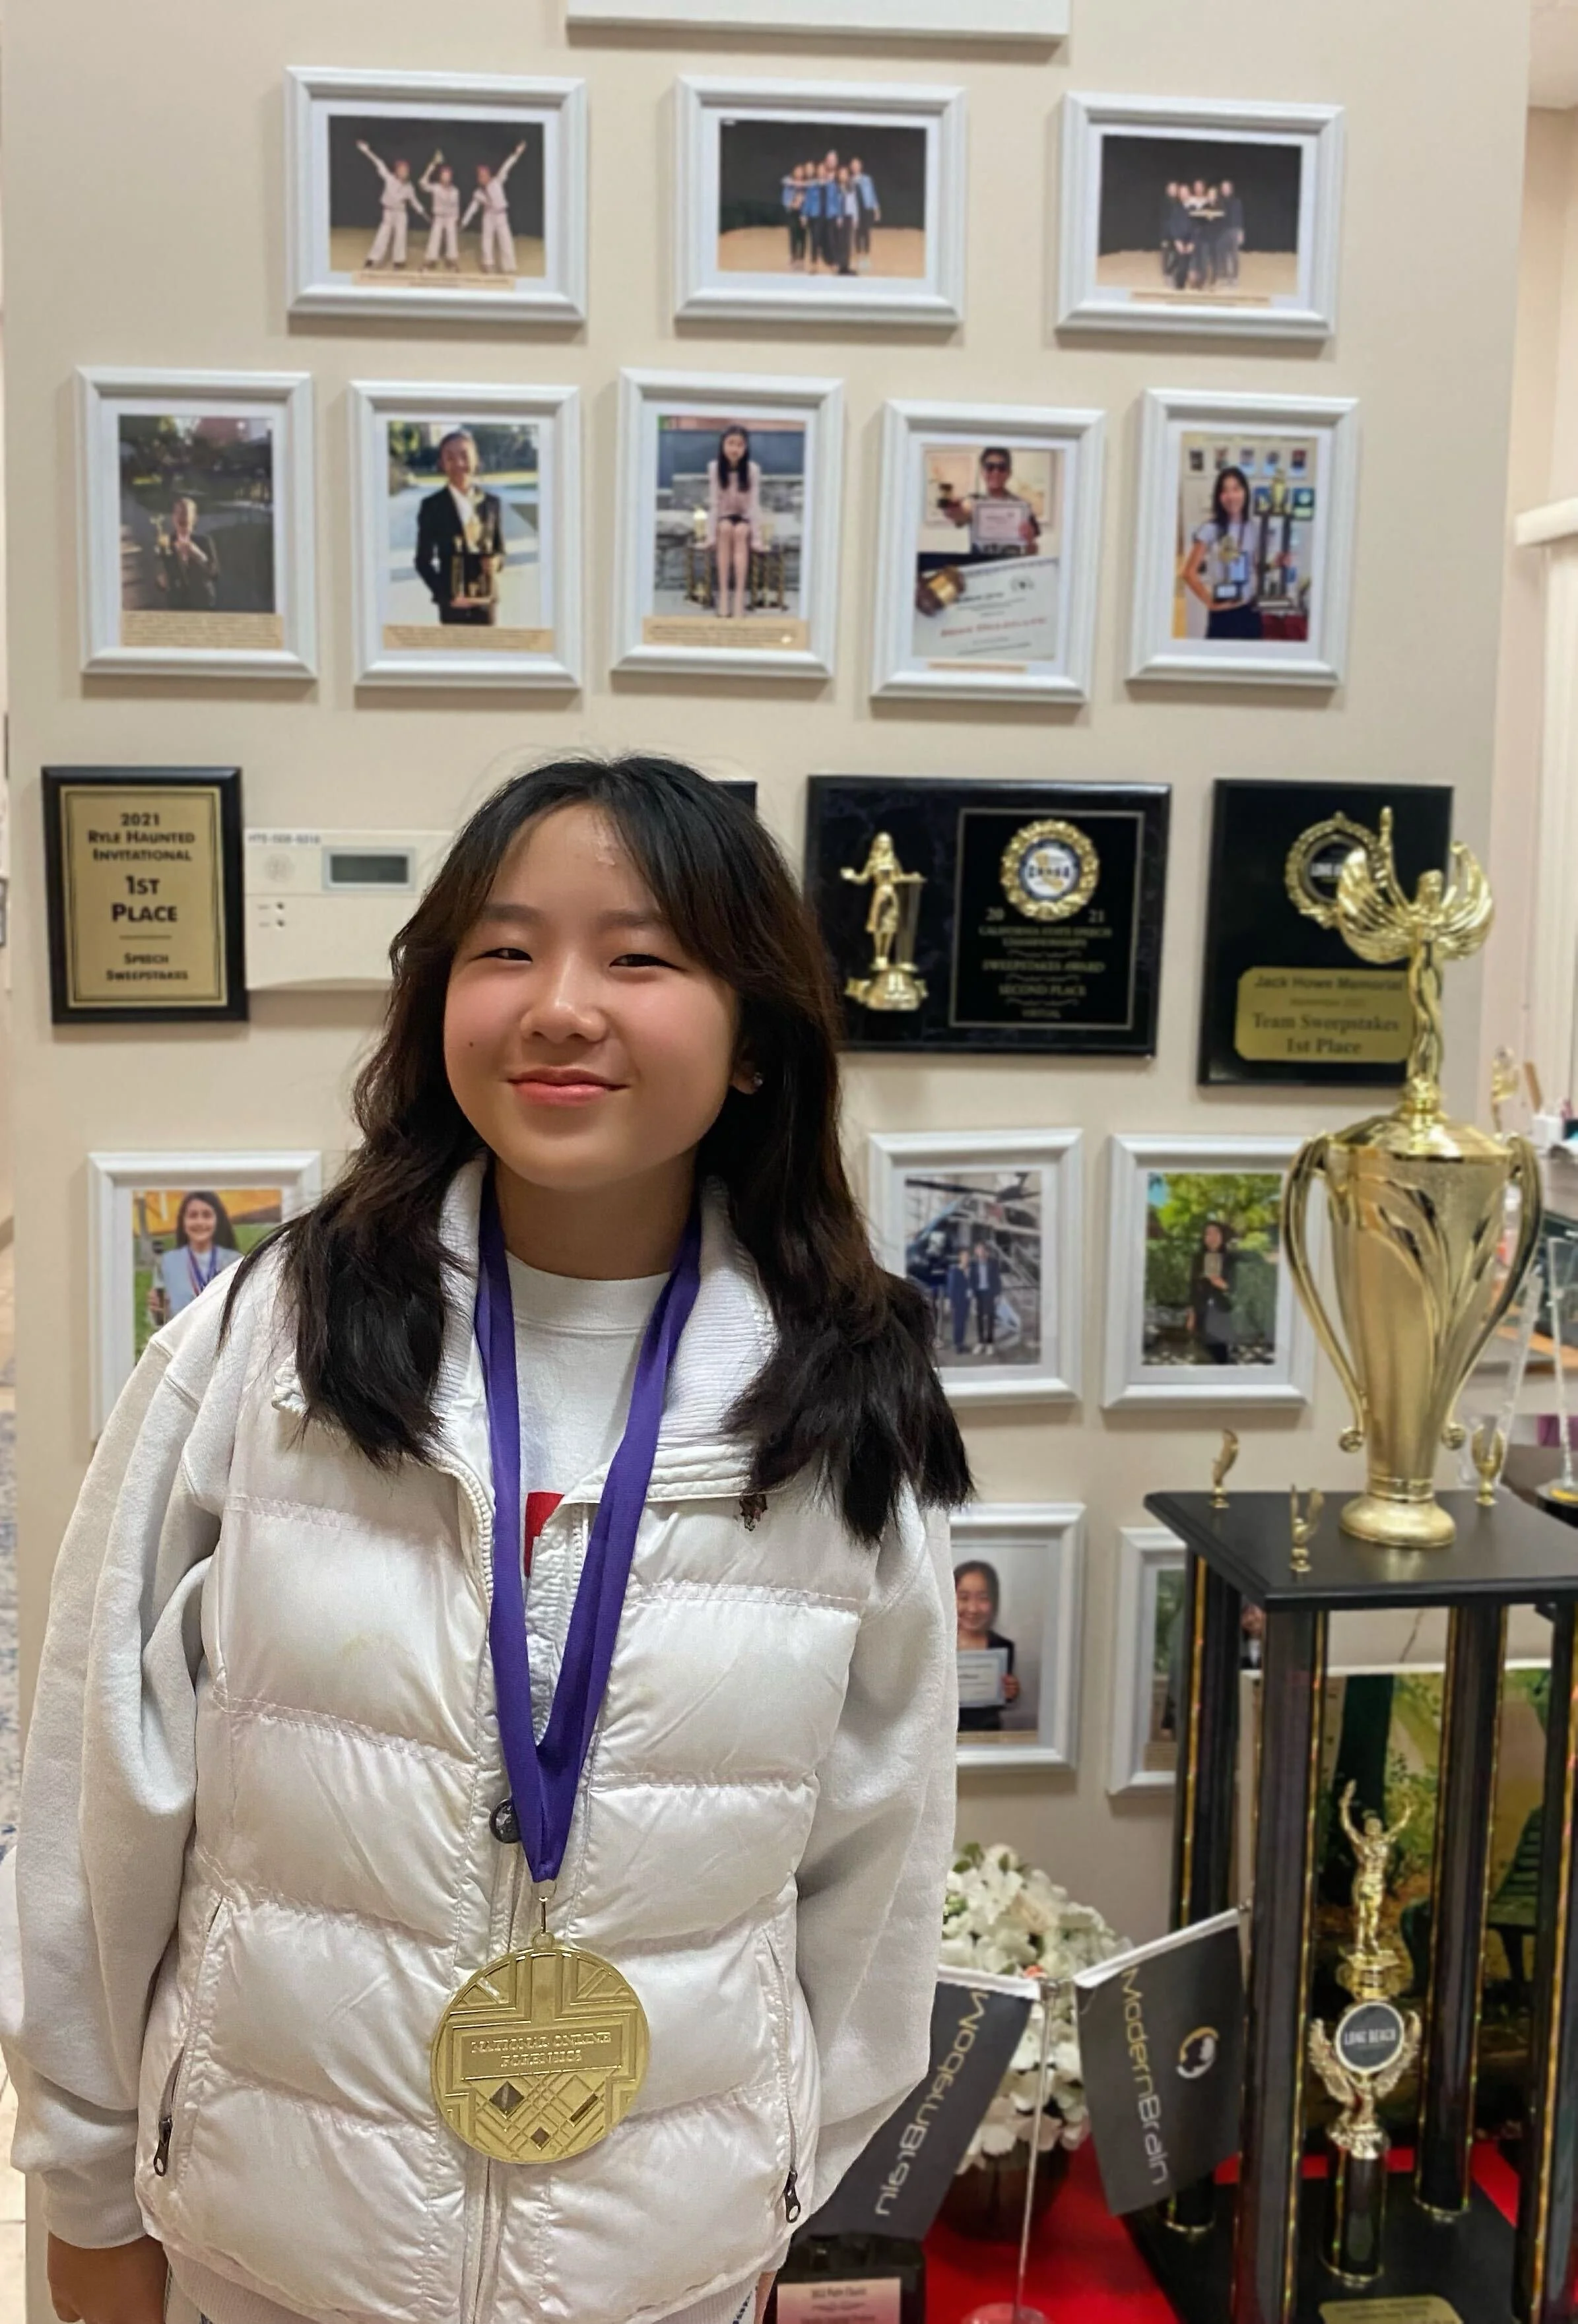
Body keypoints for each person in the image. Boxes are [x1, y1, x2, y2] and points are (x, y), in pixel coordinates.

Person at [1, 755, 969, 2324]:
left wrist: (794, 2183)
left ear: (751, 1041)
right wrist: (91, 2172)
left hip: (664, 2265)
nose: (560, 1005)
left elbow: (878, 1859)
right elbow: (101, 1779)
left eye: (640, 956)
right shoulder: (278, 1339)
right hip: (267, 2251)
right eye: (503, 949)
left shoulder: (834, 1394)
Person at [413, 428, 506, 628]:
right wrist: (445, 594)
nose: (459, 464)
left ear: (476, 459)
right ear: (442, 464)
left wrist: (496, 562)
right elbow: (423, 561)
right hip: (453, 605)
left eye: (465, 456)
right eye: (450, 458)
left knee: (487, 656)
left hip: (486, 601)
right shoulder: (432, 506)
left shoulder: (492, 504)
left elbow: (500, 549)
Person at [1181, 465, 1266, 642]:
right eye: (1225, 491)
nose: (1231, 496)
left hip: (1249, 611)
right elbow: (1189, 573)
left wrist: (1278, 562)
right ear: (1219, 497)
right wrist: (1210, 603)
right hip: (1223, 614)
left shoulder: (1253, 527)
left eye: (1236, 489)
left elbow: (1256, 566)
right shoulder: (1210, 529)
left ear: (1245, 492)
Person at [145, 1192, 243, 1334]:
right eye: (193, 1216)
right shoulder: (167, 1263)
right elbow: (160, 1323)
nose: (200, 1222)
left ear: (217, 1220)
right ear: (183, 1221)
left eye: (206, 1215)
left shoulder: (236, 1262)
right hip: (180, 1345)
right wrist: (158, 1313)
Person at [934, 448, 1040, 562]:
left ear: (1009, 472)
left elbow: (1033, 552)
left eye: (1002, 467)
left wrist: (1030, 542)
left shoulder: (1022, 507)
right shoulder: (974, 502)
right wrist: (952, 509)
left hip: (1010, 569)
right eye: (990, 467)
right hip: (980, 568)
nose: (996, 472)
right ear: (982, 471)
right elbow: (961, 514)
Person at [954, 1560, 1020, 1735]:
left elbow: (1001, 1703)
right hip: (945, 1736)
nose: (973, 1609)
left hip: (988, 1735)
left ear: (994, 1601)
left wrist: (1010, 1692)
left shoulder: (1003, 1647)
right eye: (964, 1598)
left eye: (983, 1598)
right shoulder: (938, 1646)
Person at [707, 425, 761, 620]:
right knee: (725, 529)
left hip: (744, 517)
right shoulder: (714, 468)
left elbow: (754, 505)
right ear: (723, 445)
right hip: (724, 516)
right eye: (731, 443)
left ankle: (739, 596)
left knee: (739, 533)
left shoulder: (752, 470)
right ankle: (723, 594)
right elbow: (714, 502)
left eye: (740, 444)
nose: (735, 449)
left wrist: (756, 539)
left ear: (745, 448)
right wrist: (710, 535)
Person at [356, 141, 427, 270]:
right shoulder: (389, 179)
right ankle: (373, 259)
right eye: (402, 170)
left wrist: (424, 213)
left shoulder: (409, 187)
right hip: (388, 212)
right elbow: (378, 163)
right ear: (397, 171)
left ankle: (399, 261)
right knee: (383, 235)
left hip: (401, 214)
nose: (405, 172)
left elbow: (415, 202)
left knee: (401, 236)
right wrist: (366, 151)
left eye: (407, 170)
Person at [463, 141, 527, 275]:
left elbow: (507, 166)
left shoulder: (497, 181)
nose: (483, 177)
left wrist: (517, 153)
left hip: (501, 215)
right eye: (480, 176)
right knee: (487, 239)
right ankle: (488, 264)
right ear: (478, 179)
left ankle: (509, 267)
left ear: (489, 175)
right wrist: (464, 222)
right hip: (489, 216)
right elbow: (472, 209)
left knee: (506, 240)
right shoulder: (478, 193)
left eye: (485, 174)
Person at [152, 498, 220, 612]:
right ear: (173, 518)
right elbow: (159, 582)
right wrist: (161, 582)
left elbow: (215, 574)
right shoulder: (166, 543)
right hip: (176, 605)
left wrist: (198, 555)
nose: (182, 516)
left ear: (195, 519)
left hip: (203, 605)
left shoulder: (204, 541)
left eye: (186, 513)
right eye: (178, 513)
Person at [1185, 1218, 1238, 1363]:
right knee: (1202, 1353)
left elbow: (1237, 1288)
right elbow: (1193, 1287)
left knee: (1221, 1354)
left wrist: (1222, 1284)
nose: (1212, 1237)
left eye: (1216, 1233)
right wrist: (1191, 1314)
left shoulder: (1231, 1259)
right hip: (1202, 1312)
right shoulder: (1198, 1259)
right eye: (1208, 1234)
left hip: (1223, 1312)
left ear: (1222, 1237)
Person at [420, 153, 461, 272]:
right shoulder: (436, 187)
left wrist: (456, 219)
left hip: (450, 218)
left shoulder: (455, 191)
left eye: (448, 176)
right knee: (435, 237)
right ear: (440, 177)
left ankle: (452, 260)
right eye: (444, 175)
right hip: (438, 217)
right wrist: (432, 165)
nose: (446, 178)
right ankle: (430, 260)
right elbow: (422, 183)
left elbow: (456, 206)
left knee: (452, 238)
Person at [968, 1237, 1002, 1357]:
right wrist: (971, 1293)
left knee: (991, 1318)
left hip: (990, 1293)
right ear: (976, 1251)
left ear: (986, 1251)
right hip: (979, 1294)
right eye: (978, 1249)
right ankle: (981, 1342)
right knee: (980, 1318)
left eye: (982, 1249)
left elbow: (997, 1279)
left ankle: (990, 1343)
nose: (980, 1252)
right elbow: (971, 1280)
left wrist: (998, 1294)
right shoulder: (973, 1264)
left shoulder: (993, 1263)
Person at [849, 155, 880, 267]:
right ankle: (858, 255)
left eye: (857, 165)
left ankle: (866, 257)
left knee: (866, 232)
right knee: (857, 232)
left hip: (866, 208)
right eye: (853, 165)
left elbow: (873, 194)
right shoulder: (850, 180)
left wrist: (876, 209)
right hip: (855, 210)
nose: (855, 167)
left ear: (860, 166)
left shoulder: (867, 179)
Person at [945, 1248, 971, 1357]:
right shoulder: (955, 1271)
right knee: (958, 1323)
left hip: (966, 1301)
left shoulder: (969, 1271)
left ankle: (961, 1343)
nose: (966, 1259)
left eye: (968, 1257)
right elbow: (951, 1287)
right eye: (964, 1257)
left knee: (964, 1322)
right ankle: (957, 1344)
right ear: (961, 1258)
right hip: (957, 1300)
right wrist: (950, 1301)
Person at [1218, 177, 1243, 284]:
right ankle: (1224, 275)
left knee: (1234, 255)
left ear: (1231, 189)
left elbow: (1240, 218)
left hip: (1234, 230)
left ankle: (1234, 277)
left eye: (1227, 188)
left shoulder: (1237, 202)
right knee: (1222, 254)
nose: (1225, 189)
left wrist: (1241, 232)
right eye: (1223, 188)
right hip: (1222, 231)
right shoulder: (1219, 202)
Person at [782, 163, 807, 268]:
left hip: (803, 213)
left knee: (803, 235)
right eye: (797, 171)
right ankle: (793, 256)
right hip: (793, 213)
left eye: (801, 171)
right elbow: (785, 199)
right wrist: (792, 204)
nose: (799, 173)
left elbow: (809, 200)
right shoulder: (789, 183)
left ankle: (801, 258)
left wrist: (803, 201)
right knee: (793, 234)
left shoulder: (806, 185)